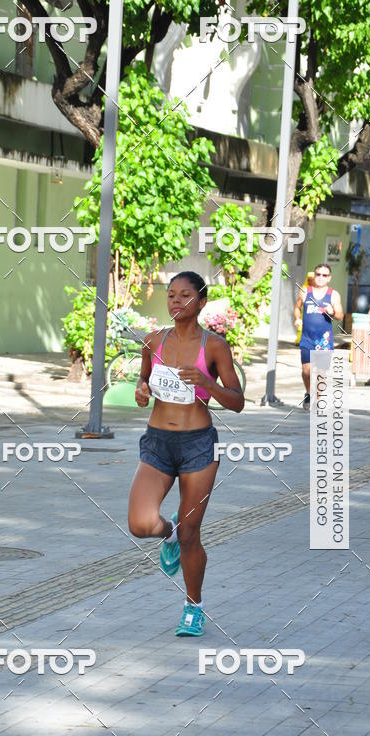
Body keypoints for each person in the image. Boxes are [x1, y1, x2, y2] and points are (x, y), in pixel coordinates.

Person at [127, 271, 245, 637]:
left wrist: (207, 384)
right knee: (140, 524)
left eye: (185, 296)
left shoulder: (214, 347)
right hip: (158, 443)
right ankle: (169, 534)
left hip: (197, 446)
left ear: (202, 302)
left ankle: (193, 606)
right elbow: (144, 381)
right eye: (171, 295)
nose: (176, 301)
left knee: (193, 532)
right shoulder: (153, 341)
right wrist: (142, 391)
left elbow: (237, 401)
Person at [293, 263, 344, 410]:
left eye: (325, 275)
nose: (321, 278)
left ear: (329, 278)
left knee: (321, 372)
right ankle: (309, 393)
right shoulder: (305, 291)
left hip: (324, 340)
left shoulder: (333, 295)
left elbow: (340, 315)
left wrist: (332, 312)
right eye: (318, 274)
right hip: (307, 338)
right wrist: (297, 318)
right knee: (306, 371)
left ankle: (319, 399)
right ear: (314, 276)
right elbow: (297, 307)